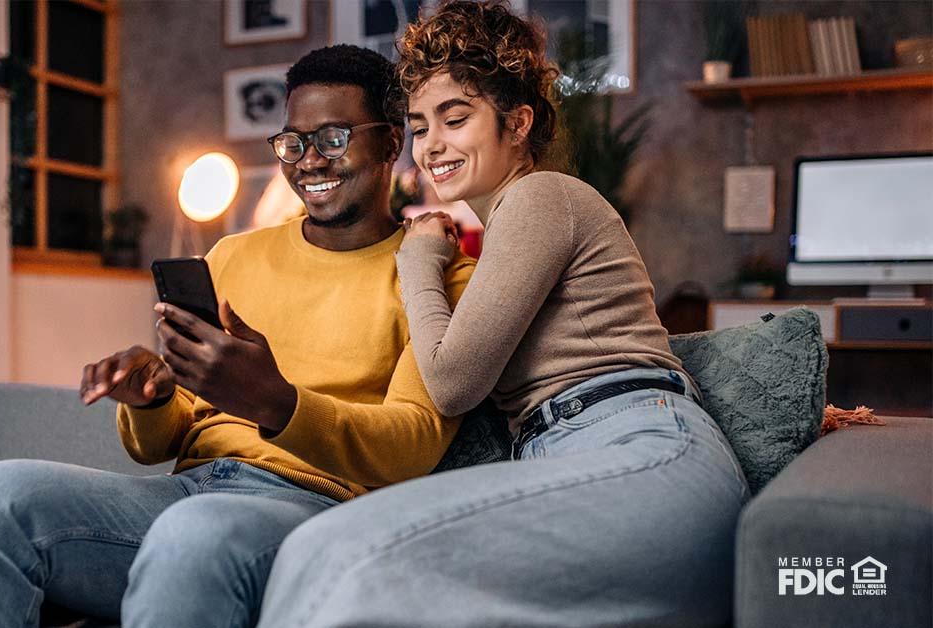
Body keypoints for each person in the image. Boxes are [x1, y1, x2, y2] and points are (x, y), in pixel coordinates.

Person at [0, 44, 474, 628]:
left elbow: (412, 445)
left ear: (391, 142)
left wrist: (274, 401)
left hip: (320, 509)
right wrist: (155, 397)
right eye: (292, 142)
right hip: (188, 490)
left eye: (334, 138)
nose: (309, 161)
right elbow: (158, 444)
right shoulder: (235, 254)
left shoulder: (436, 273)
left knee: (195, 533)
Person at [256, 2, 749, 627]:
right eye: (419, 125)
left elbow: (453, 381)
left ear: (517, 123)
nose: (432, 145)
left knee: (339, 545)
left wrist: (417, 258)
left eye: (455, 119)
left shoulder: (541, 196)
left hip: (640, 450)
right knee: (338, 558)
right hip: (581, 459)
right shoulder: (501, 233)